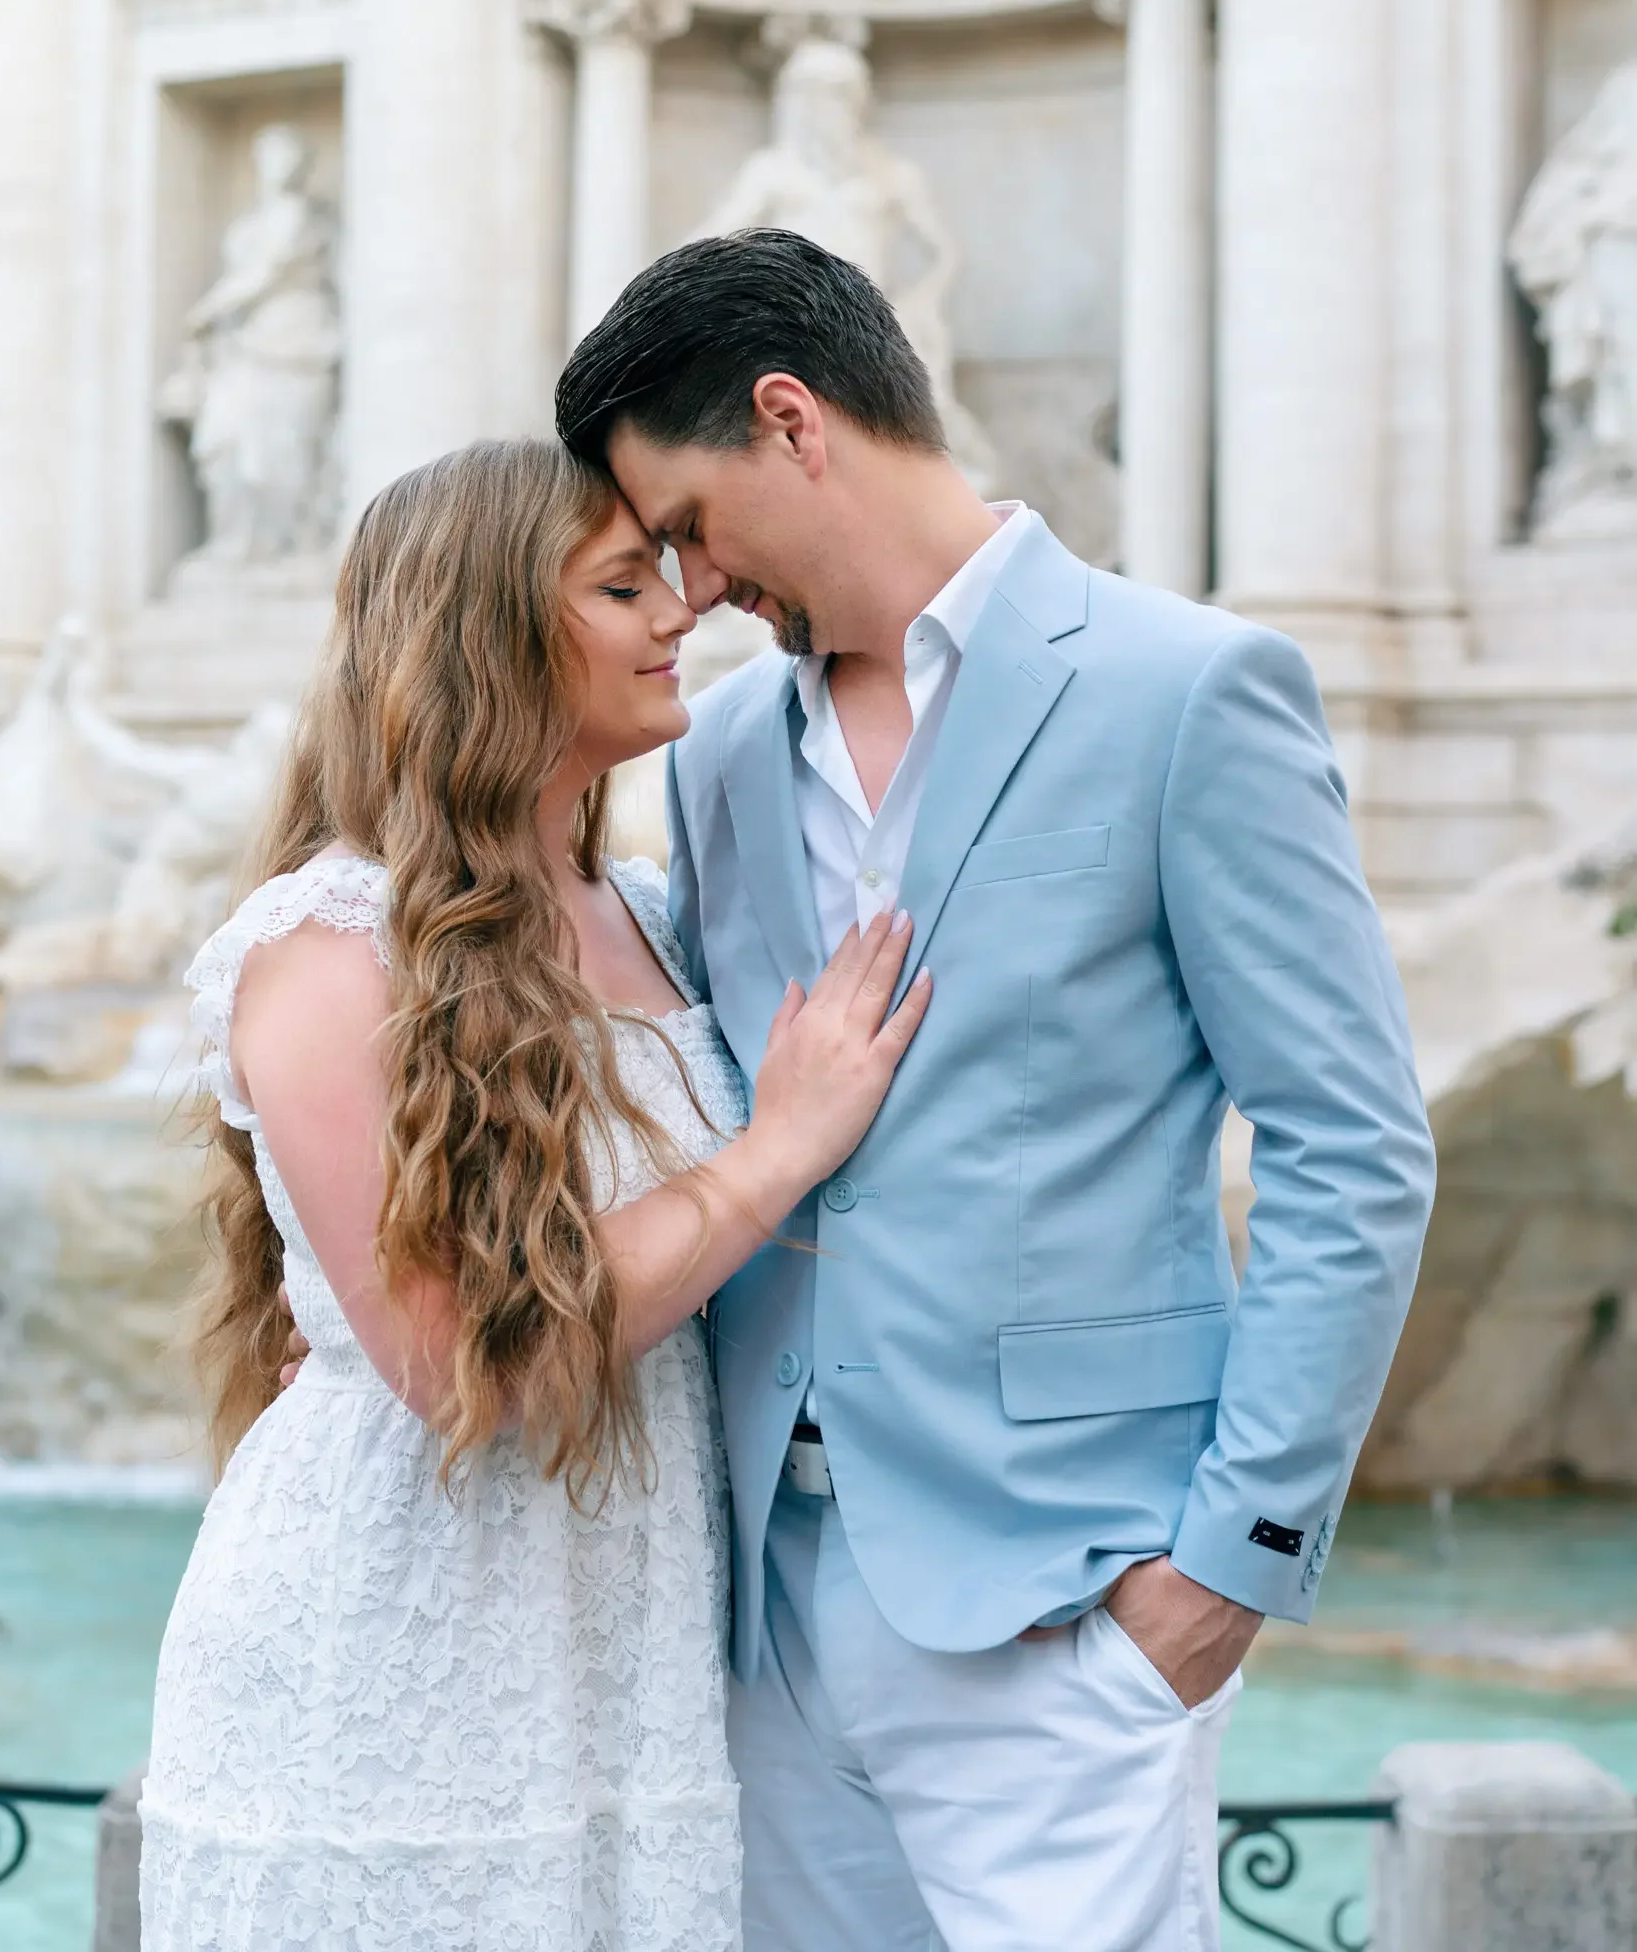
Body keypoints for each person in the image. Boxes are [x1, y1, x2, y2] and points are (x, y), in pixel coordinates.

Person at [554, 228, 1438, 1952]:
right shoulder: (725, 752)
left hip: (1069, 1609)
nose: (692, 587)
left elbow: (1351, 1148)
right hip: (764, 1616)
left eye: (687, 526)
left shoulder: (1189, 692)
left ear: (793, 422)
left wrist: (1226, 1571)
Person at [140, 437, 929, 1951]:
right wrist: (777, 1146)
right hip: (398, 1641)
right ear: (490, 630)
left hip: (625, 1644)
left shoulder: (645, 909)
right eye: (621, 583)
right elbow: (458, 1366)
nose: (679, 608)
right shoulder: (322, 945)